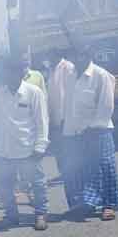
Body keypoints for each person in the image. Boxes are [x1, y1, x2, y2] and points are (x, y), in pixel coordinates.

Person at [0, 57, 50, 231]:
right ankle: (11, 215)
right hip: (3, 149)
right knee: (4, 184)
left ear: (19, 74)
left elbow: (42, 121)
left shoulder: (34, 92)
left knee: (37, 183)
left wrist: (40, 146)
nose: (8, 76)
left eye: (11, 73)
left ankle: (40, 214)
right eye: (5, 73)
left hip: (27, 149)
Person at [65, 46, 118, 221]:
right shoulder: (71, 75)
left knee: (105, 167)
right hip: (77, 132)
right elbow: (69, 105)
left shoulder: (101, 75)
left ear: (89, 55)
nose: (78, 58)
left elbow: (106, 106)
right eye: (75, 55)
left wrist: (95, 127)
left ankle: (109, 205)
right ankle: (89, 204)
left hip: (99, 130)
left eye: (81, 54)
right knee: (84, 169)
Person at [48, 52, 75, 188]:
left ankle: (71, 173)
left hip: (65, 117)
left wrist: (68, 116)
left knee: (68, 149)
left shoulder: (67, 67)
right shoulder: (51, 69)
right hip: (54, 118)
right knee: (58, 149)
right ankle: (64, 173)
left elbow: (70, 93)